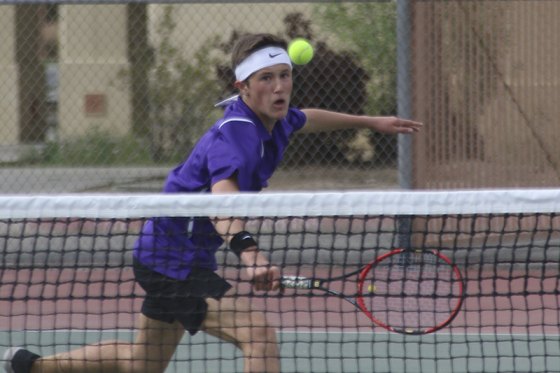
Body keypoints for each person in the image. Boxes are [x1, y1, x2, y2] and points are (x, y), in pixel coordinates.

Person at [4, 33, 422, 373]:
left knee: (140, 363)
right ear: (243, 86)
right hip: (172, 262)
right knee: (258, 336)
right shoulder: (236, 134)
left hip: (173, 256)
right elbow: (221, 204)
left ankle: (31, 367)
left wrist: (371, 122)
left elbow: (306, 117)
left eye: (284, 75)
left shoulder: (275, 119)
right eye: (266, 79)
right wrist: (251, 255)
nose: (279, 87)